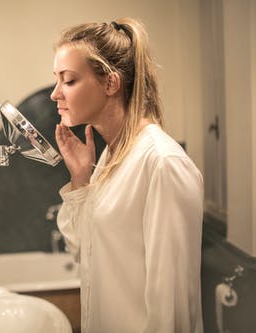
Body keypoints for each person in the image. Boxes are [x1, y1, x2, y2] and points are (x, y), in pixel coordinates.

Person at [51, 18, 204, 333]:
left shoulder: (163, 163)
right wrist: (81, 179)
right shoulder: (110, 156)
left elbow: (172, 309)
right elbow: (85, 250)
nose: (55, 94)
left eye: (67, 80)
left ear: (110, 83)